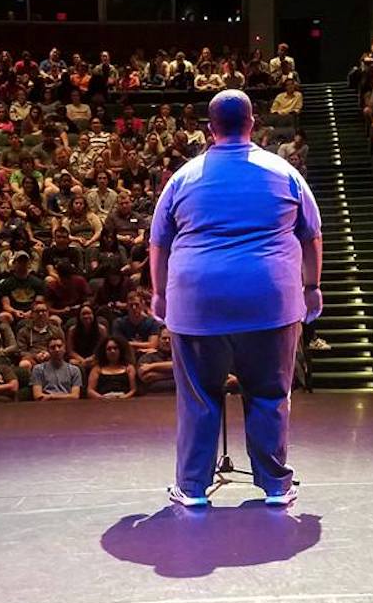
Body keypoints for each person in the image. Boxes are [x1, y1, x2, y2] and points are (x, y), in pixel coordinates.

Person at [150, 89, 322, 508]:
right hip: (269, 302)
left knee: (199, 397)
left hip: (197, 304)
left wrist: (158, 294)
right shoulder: (284, 173)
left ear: (210, 129)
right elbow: (312, 236)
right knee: (268, 394)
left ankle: (192, 488)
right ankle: (275, 486)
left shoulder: (183, 177)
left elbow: (158, 243)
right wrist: (312, 287)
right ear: (253, 123)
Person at [30, 336, 82, 400]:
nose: (57, 350)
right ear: (48, 350)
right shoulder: (38, 369)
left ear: (65, 349)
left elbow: (75, 396)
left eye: (59, 346)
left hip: (67, 404)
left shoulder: (74, 370)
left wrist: (51, 396)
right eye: (53, 347)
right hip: (45, 405)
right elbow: (37, 395)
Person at [137, 326, 176, 393]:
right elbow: (146, 377)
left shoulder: (180, 358)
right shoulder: (148, 357)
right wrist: (177, 374)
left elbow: (180, 366)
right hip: (152, 398)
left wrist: (152, 366)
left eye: (170, 338)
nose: (167, 341)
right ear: (158, 340)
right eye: (164, 338)